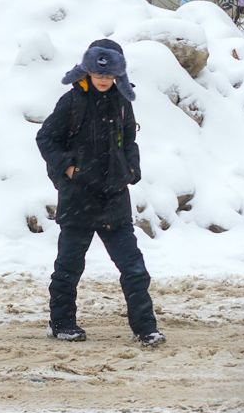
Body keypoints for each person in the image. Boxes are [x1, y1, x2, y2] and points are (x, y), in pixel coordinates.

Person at [36, 39, 165, 347]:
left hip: (114, 198)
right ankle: (61, 323)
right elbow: (46, 138)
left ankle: (145, 328)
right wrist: (68, 169)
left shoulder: (123, 101)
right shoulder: (72, 101)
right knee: (68, 267)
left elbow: (129, 140)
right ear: (89, 70)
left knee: (133, 267)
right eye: (99, 73)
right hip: (79, 197)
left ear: (119, 73)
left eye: (110, 74)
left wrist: (131, 170)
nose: (104, 79)